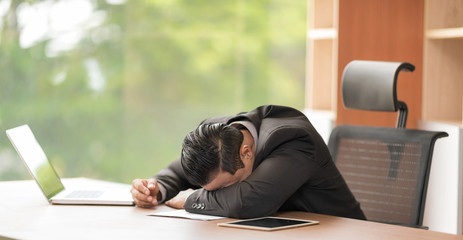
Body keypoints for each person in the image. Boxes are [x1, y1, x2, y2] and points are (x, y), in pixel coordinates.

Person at [131, 105, 366, 220]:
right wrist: (155, 189)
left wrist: (191, 199)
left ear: (245, 152)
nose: (218, 194)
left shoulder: (292, 140)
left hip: (341, 231)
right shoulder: (217, 135)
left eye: (226, 187)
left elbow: (247, 201)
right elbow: (179, 171)